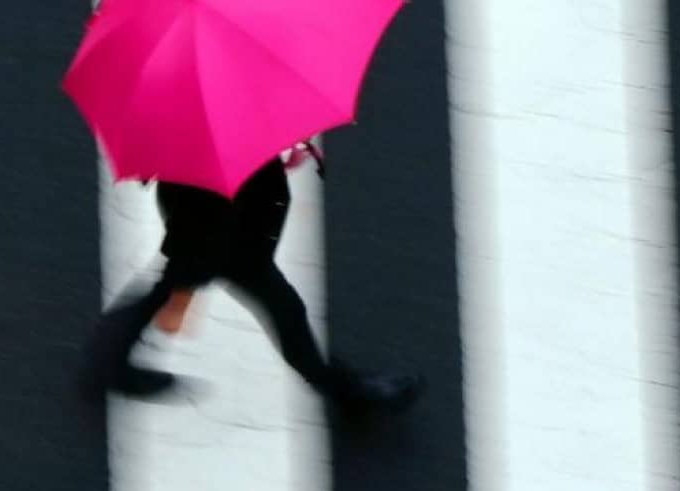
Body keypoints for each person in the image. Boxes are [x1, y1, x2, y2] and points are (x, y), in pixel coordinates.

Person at [77, 145, 423, 416]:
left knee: (173, 287)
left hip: (210, 227)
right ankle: (351, 395)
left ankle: (107, 357)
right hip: (223, 235)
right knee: (286, 313)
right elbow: (222, 193)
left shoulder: (182, 115)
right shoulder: (220, 127)